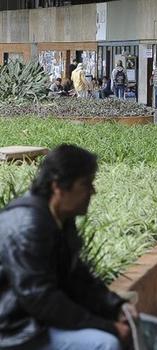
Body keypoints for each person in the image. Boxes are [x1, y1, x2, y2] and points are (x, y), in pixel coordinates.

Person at [0, 144, 137, 350]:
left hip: (34, 320)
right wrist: (107, 326)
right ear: (58, 186)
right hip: (14, 330)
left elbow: (77, 275)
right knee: (105, 344)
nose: (93, 191)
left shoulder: (59, 217)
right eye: (86, 184)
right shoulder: (27, 224)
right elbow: (39, 297)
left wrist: (116, 306)